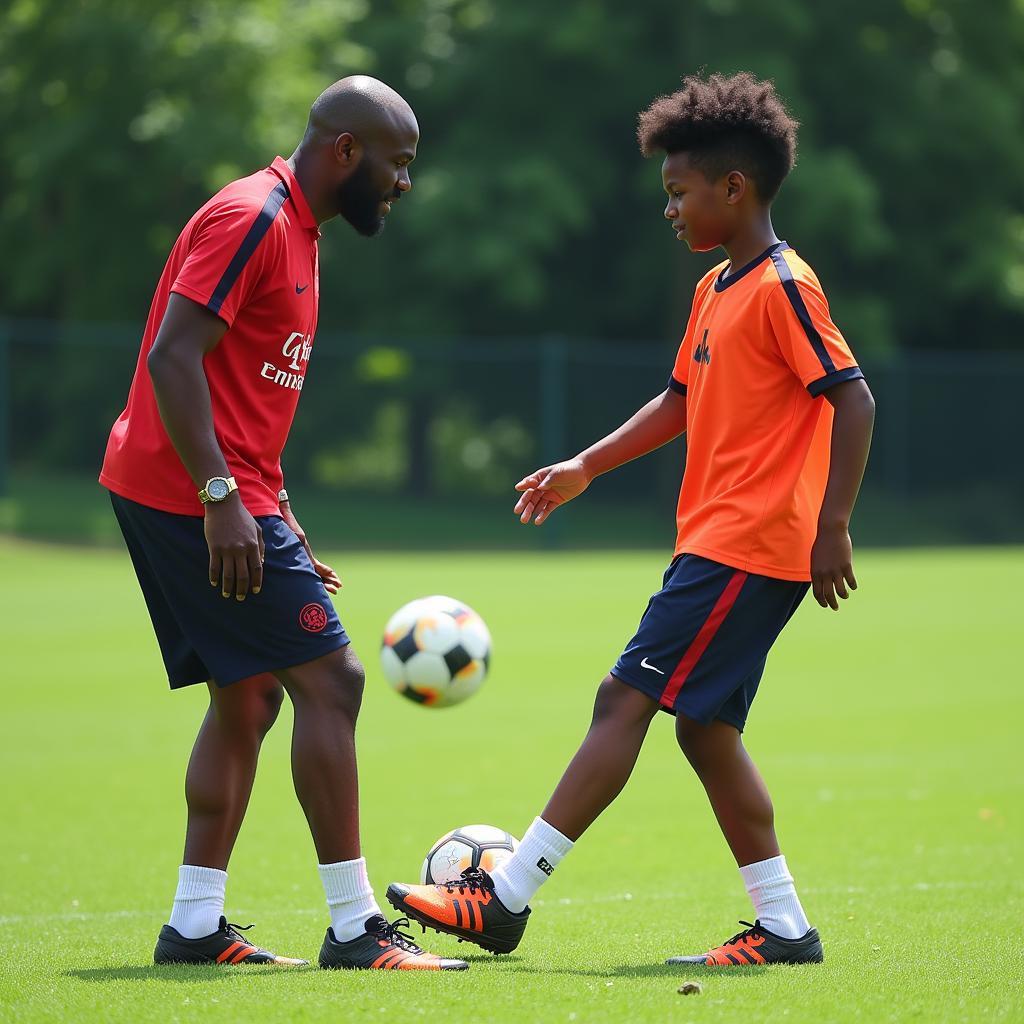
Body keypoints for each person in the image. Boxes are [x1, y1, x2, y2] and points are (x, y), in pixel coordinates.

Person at [386, 71, 876, 967]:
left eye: (679, 192)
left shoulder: (783, 285)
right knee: (704, 730)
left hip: (751, 541)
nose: (670, 210)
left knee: (626, 697)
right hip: (720, 539)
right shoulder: (717, 289)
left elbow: (854, 398)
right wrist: (584, 466)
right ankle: (784, 929)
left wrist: (832, 523)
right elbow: (679, 401)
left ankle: (504, 895)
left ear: (735, 188)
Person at [100, 76, 467, 971]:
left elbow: (241, 390)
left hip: (216, 490)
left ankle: (193, 927)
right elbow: (172, 357)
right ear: (347, 151)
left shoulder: (298, 231)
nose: (404, 185)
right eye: (398, 164)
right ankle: (355, 930)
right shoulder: (254, 218)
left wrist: (278, 513)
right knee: (333, 683)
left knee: (251, 695)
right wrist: (223, 499)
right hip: (189, 491)